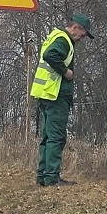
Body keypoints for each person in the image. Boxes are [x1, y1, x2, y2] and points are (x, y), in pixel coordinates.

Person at [30, 14, 93, 187]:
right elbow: (50, 55)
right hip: (55, 94)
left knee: (47, 136)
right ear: (75, 28)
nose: (82, 39)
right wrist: (66, 71)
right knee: (56, 137)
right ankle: (51, 177)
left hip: (45, 93)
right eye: (82, 34)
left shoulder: (54, 35)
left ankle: (43, 176)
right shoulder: (64, 40)